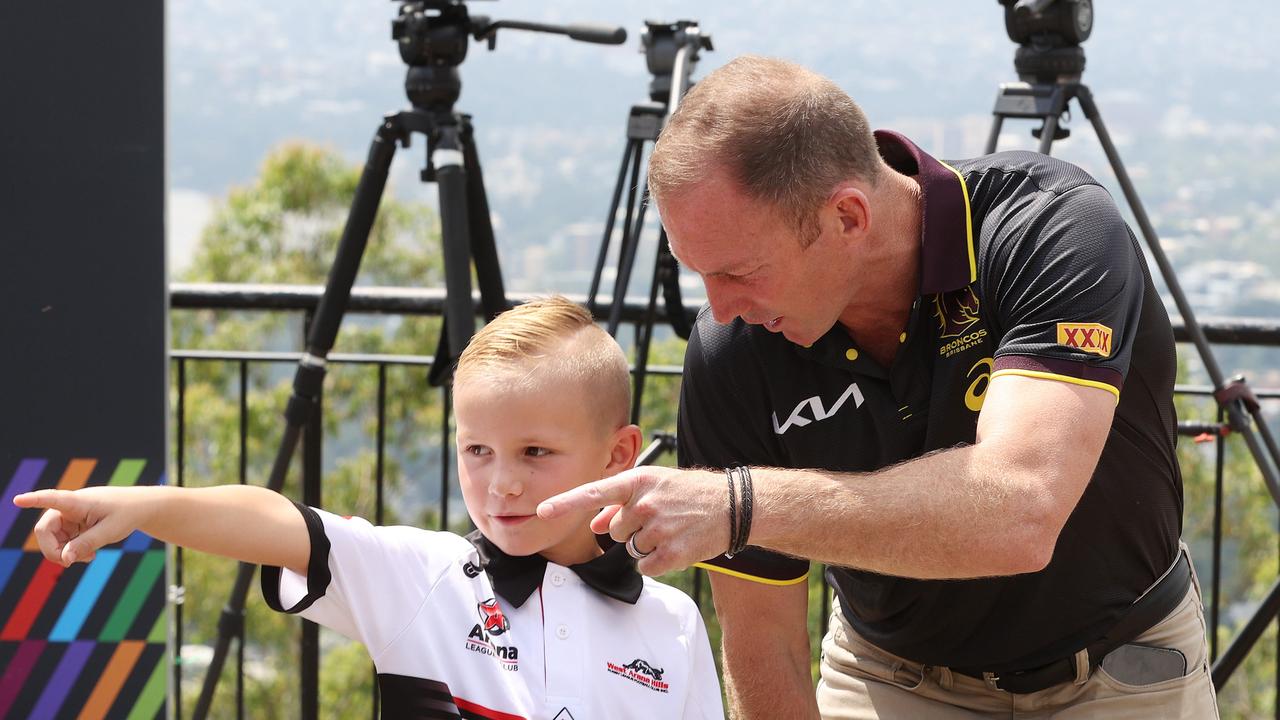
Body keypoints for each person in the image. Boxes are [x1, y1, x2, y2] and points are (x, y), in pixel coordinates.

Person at [536, 56, 1219, 718]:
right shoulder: (734, 349)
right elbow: (762, 641)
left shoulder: (1053, 229)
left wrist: (743, 505)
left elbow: (1020, 512)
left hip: (1122, 670)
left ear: (849, 218)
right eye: (698, 273)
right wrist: (741, 507)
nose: (719, 308)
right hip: (893, 681)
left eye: (739, 271)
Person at [14, 297, 725, 720]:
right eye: (476, 450)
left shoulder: (675, 625)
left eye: (535, 452)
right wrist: (144, 505)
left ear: (618, 454)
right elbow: (278, 523)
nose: (501, 483)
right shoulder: (424, 575)